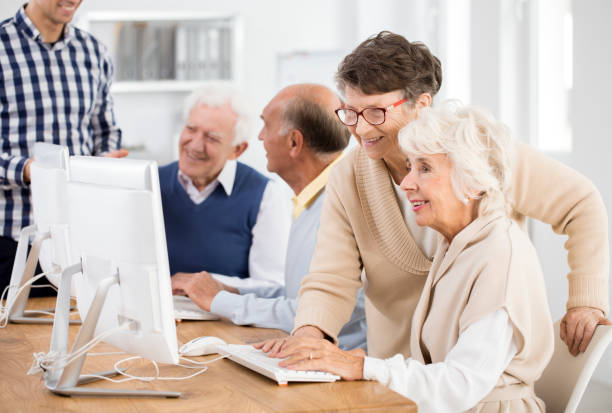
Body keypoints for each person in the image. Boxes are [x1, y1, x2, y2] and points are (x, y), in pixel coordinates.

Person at [261, 31, 608, 362]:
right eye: (351, 113)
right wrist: (308, 334)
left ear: (422, 104)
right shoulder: (347, 177)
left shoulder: (479, 154)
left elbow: (580, 203)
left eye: (376, 112)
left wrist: (586, 299)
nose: (361, 128)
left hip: (485, 375)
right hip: (396, 374)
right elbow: (330, 276)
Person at [259, 104, 555, 412]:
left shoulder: (499, 254)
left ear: (474, 180)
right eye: (410, 167)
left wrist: (361, 367)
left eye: (425, 168)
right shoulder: (455, 245)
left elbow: (460, 383)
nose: (406, 183)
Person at [171, 84, 367, 350]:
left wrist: (220, 301)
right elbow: (297, 295)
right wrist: (231, 291)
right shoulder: (313, 199)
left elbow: (315, 314)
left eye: (266, 126)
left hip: (331, 370)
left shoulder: (340, 205)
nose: (261, 137)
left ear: (294, 143)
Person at [0, 0, 125, 295]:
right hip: (9, 240)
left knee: (75, 337)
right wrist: (29, 170)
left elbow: (105, 131)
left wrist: (105, 162)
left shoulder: (94, 52)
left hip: (77, 242)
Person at [160, 85, 290, 290]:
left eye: (212, 138)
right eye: (191, 129)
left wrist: (203, 285)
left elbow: (273, 287)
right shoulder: (152, 184)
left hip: (225, 320)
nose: (194, 145)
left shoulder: (265, 195)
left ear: (237, 150)